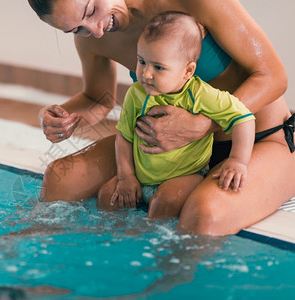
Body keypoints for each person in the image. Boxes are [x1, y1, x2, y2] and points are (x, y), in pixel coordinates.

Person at [27, 0, 295, 235]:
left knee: (204, 214)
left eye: (91, 10)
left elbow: (273, 76)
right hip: (165, 152)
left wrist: (203, 125)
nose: (95, 31)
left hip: (261, 141)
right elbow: (98, 98)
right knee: (60, 178)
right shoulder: (92, 37)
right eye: (76, 29)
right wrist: (56, 118)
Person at [98, 11, 255, 213]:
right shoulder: (136, 94)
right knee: (106, 197)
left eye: (159, 67)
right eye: (142, 61)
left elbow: (243, 118)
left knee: (164, 202)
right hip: (140, 176)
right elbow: (124, 137)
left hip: (186, 176)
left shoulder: (200, 94)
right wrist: (126, 177)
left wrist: (237, 161)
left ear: (188, 71)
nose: (146, 74)